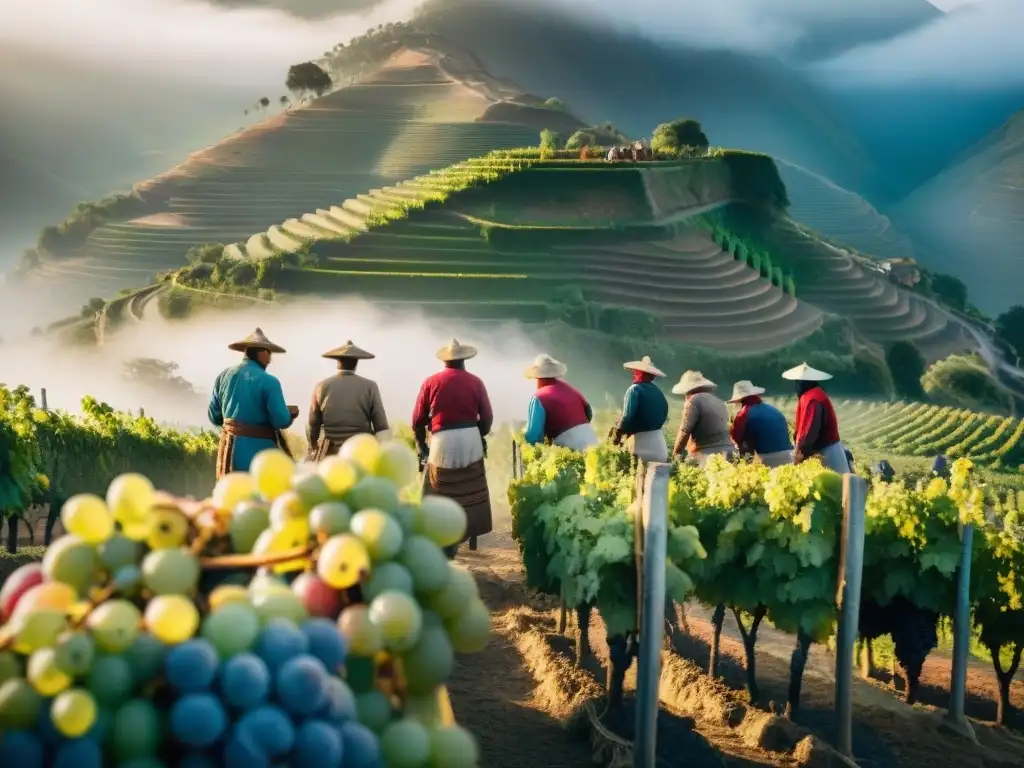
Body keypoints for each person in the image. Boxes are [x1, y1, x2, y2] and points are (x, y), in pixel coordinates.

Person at [412, 339, 493, 554]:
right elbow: (487, 418)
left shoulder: (431, 382)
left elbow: (418, 420)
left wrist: (421, 445)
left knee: (439, 487)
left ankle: (440, 535)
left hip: (442, 438)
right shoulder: (476, 382)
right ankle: (469, 531)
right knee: (470, 486)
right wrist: (480, 435)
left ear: (445, 360)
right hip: (470, 436)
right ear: (464, 360)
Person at [208, 328, 297, 477]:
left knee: (230, 492)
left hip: (228, 452)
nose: (270, 360)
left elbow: (214, 416)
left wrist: (234, 425)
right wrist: (290, 415)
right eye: (269, 354)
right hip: (260, 455)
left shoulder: (223, 376)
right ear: (263, 353)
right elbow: (280, 419)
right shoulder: (269, 381)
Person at [306, 340, 390, 462]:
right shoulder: (370, 386)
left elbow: (312, 424)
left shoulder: (321, 386)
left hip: (330, 453)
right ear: (356, 362)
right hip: (360, 451)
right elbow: (381, 427)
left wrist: (313, 447)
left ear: (338, 362)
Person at [782, 362, 850, 473]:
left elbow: (809, 433)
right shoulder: (816, 394)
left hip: (828, 452)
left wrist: (800, 455)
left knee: (836, 484)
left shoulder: (812, 400)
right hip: (830, 449)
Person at [522, 354, 598, 450]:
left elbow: (534, 435)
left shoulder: (539, 397)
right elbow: (589, 413)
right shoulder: (570, 389)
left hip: (568, 444)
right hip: (590, 438)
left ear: (537, 378)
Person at [610, 356, 669, 462]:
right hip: (660, 445)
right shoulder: (658, 391)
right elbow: (665, 414)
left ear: (639, 373)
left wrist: (617, 434)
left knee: (638, 476)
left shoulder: (634, 390)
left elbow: (627, 417)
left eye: (635, 372)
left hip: (641, 445)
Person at [670, 371, 733, 467]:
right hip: (729, 453)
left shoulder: (693, 400)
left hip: (706, 455)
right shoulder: (719, 402)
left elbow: (684, 430)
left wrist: (675, 453)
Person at [727, 380, 793, 467]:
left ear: (741, 401)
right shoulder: (773, 410)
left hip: (769, 458)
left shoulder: (744, 414)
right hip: (789, 454)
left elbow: (737, 438)